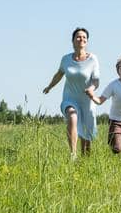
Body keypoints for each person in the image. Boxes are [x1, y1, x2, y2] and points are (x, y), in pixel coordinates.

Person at [42, 27, 100, 158]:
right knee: (72, 116)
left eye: (84, 37)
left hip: (87, 100)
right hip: (70, 98)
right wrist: (49, 87)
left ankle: (85, 163)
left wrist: (91, 89)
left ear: (87, 41)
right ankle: (73, 154)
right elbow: (59, 74)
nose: (81, 39)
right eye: (78, 37)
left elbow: (96, 81)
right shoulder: (66, 59)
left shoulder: (93, 59)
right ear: (73, 41)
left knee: (86, 137)